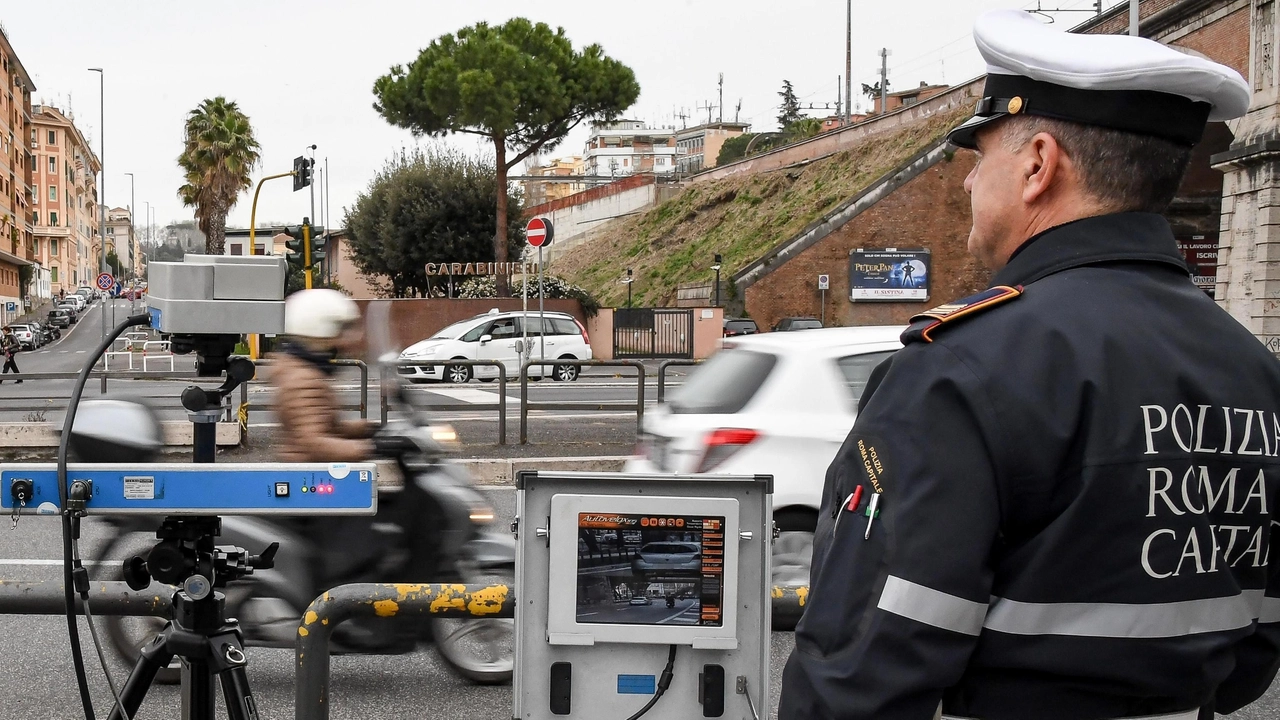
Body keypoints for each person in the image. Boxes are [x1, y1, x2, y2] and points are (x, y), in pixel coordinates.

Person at [779, 10, 1278, 720]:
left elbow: (864, 670)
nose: (966, 185)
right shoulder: (1254, 371)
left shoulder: (961, 370)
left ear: (1040, 164)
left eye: (981, 158)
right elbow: (1251, 660)